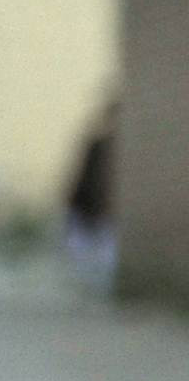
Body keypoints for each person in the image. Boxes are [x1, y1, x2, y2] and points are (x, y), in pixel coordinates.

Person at [65, 97, 120, 295]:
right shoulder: (99, 144)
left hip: (103, 209)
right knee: (83, 254)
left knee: (105, 255)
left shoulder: (117, 146)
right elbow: (86, 177)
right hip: (87, 205)